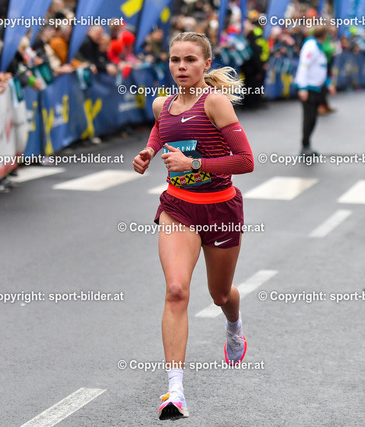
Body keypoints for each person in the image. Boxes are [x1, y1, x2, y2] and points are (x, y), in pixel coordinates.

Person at [132, 32, 254, 420]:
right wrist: (149, 150)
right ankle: (175, 391)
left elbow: (246, 161)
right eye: (175, 60)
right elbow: (162, 128)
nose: (181, 67)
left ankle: (234, 326)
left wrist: (194, 164)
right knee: (176, 291)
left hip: (220, 209)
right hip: (178, 208)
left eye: (190, 60)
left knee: (220, 294)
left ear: (206, 64)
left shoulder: (215, 103)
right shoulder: (161, 104)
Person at [294, 26, 335, 156]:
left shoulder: (319, 47)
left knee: (313, 118)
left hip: (317, 87)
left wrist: (328, 84)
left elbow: (320, 68)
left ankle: (307, 145)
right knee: (309, 117)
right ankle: (305, 146)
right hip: (309, 87)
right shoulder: (310, 47)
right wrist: (302, 88)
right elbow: (303, 67)